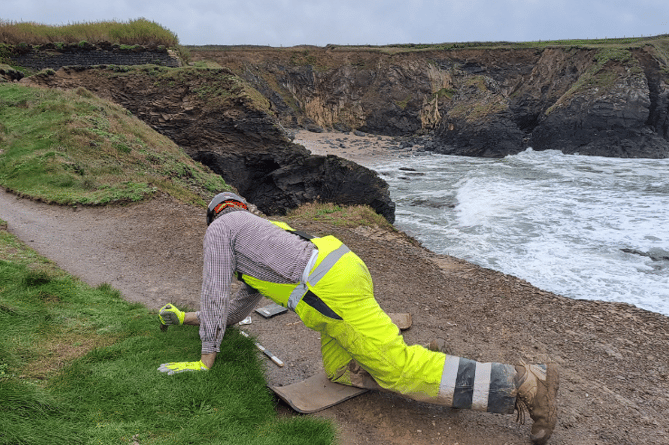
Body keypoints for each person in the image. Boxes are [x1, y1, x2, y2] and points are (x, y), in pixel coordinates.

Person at [157, 192, 559, 445]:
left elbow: (213, 291)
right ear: (240, 206)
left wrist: (206, 358)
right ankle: (420, 358)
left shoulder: (220, 231)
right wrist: (186, 318)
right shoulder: (259, 231)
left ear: (215, 216)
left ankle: (524, 383)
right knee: (339, 371)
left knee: (396, 370)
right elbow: (232, 308)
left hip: (331, 292)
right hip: (338, 275)